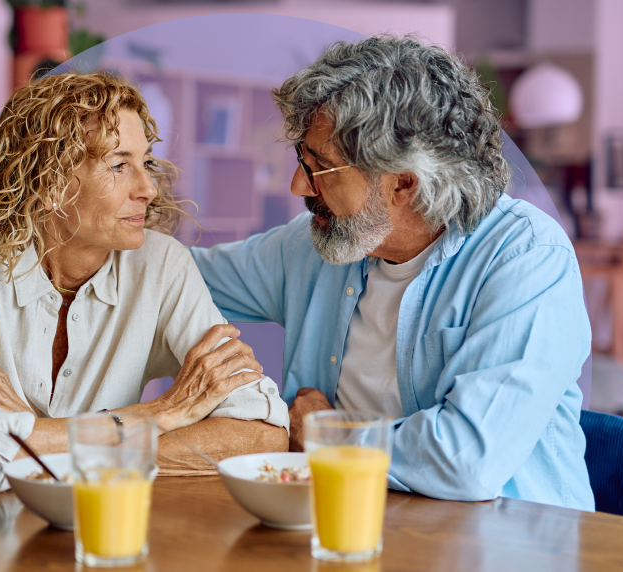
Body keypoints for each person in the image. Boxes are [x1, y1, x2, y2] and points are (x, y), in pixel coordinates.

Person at [0, 73, 288, 520]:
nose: (148, 188)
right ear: (49, 183)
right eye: (118, 164)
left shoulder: (162, 264)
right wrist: (162, 414)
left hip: (37, 539)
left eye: (145, 162)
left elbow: (263, 433)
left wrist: (35, 439)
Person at [190, 35, 594, 510]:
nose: (298, 183)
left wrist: (325, 435)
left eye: (320, 167)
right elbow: (179, 277)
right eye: (303, 157)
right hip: (348, 524)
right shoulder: (313, 245)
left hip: (506, 545)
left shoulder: (525, 257)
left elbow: (465, 460)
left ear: (403, 183)